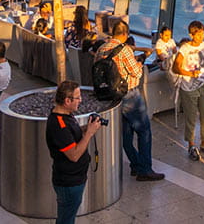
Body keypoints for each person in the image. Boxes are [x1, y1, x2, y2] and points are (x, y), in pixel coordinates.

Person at [95, 20, 163, 180]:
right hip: (129, 95)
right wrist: (140, 61)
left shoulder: (101, 48)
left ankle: (135, 164)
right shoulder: (124, 49)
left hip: (112, 97)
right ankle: (145, 169)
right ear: (125, 34)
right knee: (144, 131)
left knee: (126, 134)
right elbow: (137, 73)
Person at [47, 80, 103, 224]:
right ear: (67, 100)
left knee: (67, 217)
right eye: (77, 97)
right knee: (66, 219)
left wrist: (87, 128)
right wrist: (89, 133)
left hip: (74, 179)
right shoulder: (59, 125)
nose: (81, 100)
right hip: (69, 183)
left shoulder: (66, 115)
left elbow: (71, 136)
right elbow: (74, 155)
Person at [173, 19, 204, 162]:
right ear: (191, 35)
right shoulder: (185, 48)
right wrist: (190, 74)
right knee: (191, 118)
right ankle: (191, 145)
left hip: (203, 86)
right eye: (198, 35)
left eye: (202, 34)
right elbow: (175, 67)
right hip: (188, 87)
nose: (201, 37)